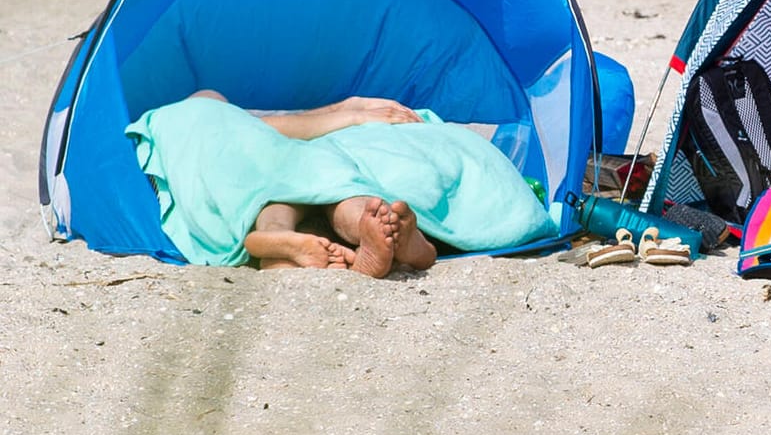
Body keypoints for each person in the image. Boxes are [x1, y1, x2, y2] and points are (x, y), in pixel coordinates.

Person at [126, 92, 556, 276]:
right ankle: (390, 228)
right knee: (325, 181)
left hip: (232, 179)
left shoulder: (163, 130)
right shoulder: (209, 110)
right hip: (262, 150)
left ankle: (274, 243)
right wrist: (349, 113)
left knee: (274, 198)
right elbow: (283, 127)